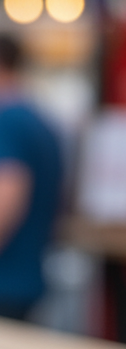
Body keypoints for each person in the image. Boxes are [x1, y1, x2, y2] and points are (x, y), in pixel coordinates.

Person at [0, 35, 63, 320]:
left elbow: (7, 201)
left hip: (7, 282)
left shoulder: (8, 121)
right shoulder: (39, 120)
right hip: (26, 278)